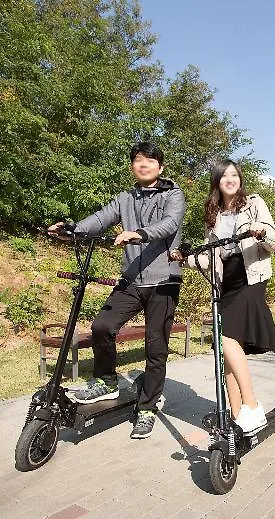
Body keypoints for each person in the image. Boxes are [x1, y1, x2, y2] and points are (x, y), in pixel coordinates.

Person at [47, 141, 185, 439]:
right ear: (133, 166)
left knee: (155, 345)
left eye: (149, 160)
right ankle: (107, 382)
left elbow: (170, 224)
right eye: (137, 160)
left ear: (160, 167)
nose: (143, 164)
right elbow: (101, 219)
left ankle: (147, 407)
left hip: (163, 281)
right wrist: (73, 230)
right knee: (101, 326)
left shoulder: (174, 195)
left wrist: (140, 233)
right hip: (132, 279)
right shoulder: (125, 198)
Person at [172, 159, 275, 434]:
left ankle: (252, 407)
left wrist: (262, 232)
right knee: (227, 351)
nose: (230, 179)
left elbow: (274, 242)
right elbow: (210, 257)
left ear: (239, 179)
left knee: (225, 337)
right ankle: (236, 415)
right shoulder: (214, 215)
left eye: (234, 174)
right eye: (224, 175)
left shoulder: (254, 203)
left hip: (251, 276)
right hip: (226, 283)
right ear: (217, 182)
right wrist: (186, 258)